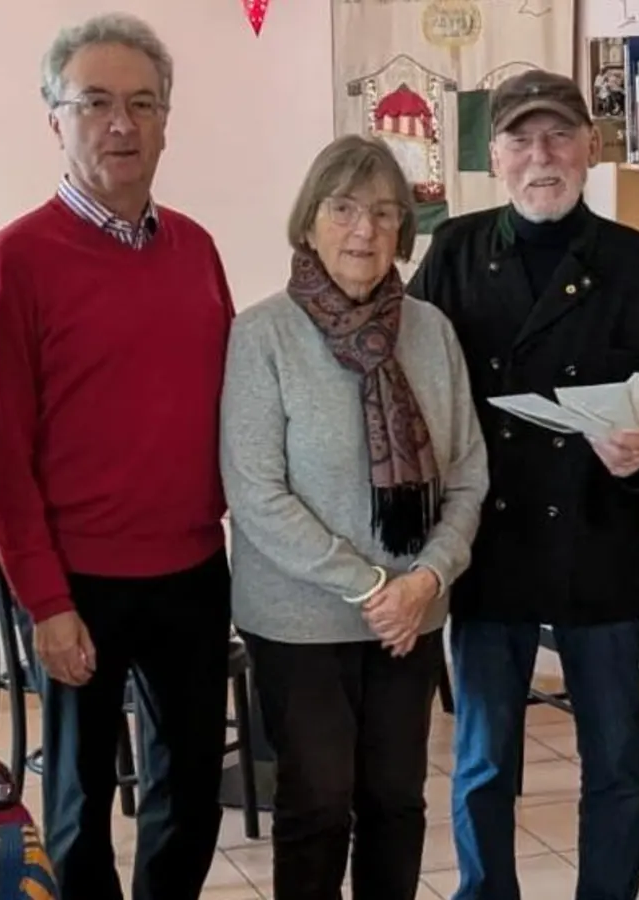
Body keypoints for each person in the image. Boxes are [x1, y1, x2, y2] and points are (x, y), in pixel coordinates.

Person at [406, 68, 639, 900]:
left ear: (591, 149)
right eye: (522, 140)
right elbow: (410, 384)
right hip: (487, 540)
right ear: (494, 156)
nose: (543, 156)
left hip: (599, 539)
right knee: (485, 760)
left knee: (613, 762)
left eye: (559, 136)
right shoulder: (455, 250)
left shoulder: (637, 260)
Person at [0, 13, 235, 900]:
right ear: (56, 118)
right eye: (95, 103)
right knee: (80, 801)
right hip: (79, 581)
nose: (122, 124)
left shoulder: (196, 249)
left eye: (143, 104)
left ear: (166, 121)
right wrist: (45, 602)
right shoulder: (13, 263)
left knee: (190, 789)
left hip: (195, 568)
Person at [220, 134, 489, 900]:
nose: (364, 230)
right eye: (344, 209)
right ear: (309, 221)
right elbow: (257, 494)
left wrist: (426, 579)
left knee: (396, 803)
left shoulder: (432, 332)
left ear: (404, 229)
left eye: (383, 212)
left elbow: (468, 473)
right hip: (302, 620)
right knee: (316, 805)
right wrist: (376, 586)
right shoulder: (263, 334)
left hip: (412, 615)